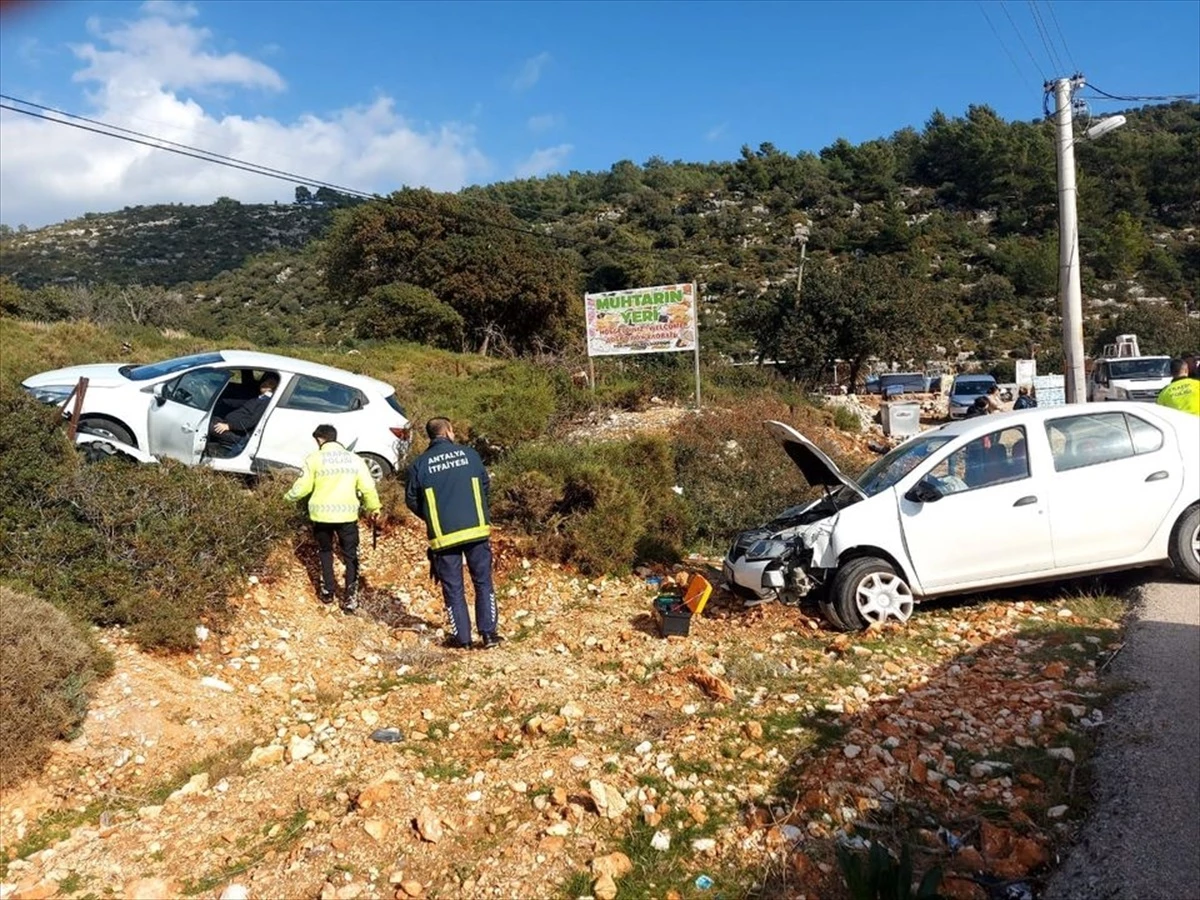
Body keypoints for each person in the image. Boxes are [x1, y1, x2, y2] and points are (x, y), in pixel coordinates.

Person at [405, 417, 500, 650]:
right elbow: (484, 484)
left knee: (453, 588)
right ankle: (489, 635)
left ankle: (463, 640)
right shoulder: (469, 455)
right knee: (483, 583)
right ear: (448, 432)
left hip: (443, 535)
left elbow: (411, 500)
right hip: (476, 529)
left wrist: (431, 515)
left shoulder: (420, 464)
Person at [284, 424, 381, 612]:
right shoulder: (354, 459)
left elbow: (302, 488)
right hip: (347, 516)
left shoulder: (314, 459)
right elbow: (368, 487)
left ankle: (328, 591)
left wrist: (286, 498)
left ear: (320, 439)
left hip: (321, 516)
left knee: (325, 552)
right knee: (351, 555)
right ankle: (350, 598)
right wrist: (374, 507)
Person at [210, 374, 278, 454]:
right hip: (229, 425)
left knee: (207, 426)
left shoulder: (266, 402)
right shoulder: (259, 398)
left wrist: (229, 426)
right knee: (212, 418)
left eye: (270, 383)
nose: (265, 384)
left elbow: (252, 421)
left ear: (275, 388)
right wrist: (221, 400)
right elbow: (239, 403)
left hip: (237, 434)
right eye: (265, 381)